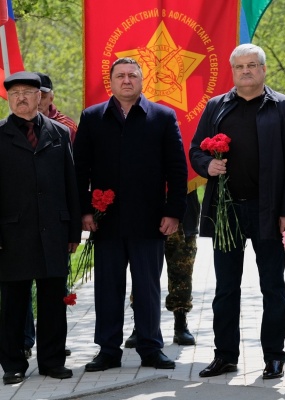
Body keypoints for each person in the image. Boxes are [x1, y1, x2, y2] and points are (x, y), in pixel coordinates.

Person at [190, 44, 285, 380]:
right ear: (233, 71)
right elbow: (196, 149)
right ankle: (225, 355)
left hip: (269, 211)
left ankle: (274, 357)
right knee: (226, 288)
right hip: (227, 211)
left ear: (264, 69)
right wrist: (207, 165)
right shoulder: (217, 106)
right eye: (239, 67)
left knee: (273, 287)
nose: (246, 71)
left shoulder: (284, 107)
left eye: (252, 65)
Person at [74, 57, 188, 372]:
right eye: (120, 76)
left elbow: (177, 169)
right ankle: (108, 350)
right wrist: (85, 210)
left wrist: (174, 212)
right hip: (106, 220)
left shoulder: (162, 117)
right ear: (111, 82)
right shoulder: (93, 117)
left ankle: (151, 349)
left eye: (132, 75)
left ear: (141, 80)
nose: (126, 80)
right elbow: (79, 169)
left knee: (148, 287)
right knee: (107, 287)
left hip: (149, 220)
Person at [0, 71, 81, 384]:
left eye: (27, 92)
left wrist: (73, 231)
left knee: (53, 301)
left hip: (53, 231)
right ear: (9, 98)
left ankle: (52, 361)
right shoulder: (1, 134)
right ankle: (12, 364)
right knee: (13, 303)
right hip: (12, 234)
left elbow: (71, 184)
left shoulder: (59, 132)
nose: (21, 98)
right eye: (15, 93)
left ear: (40, 97)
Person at [22, 72, 78, 361]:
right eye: (34, 93)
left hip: (54, 225)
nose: (38, 99)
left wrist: (74, 227)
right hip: (20, 226)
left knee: (54, 291)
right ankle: (22, 344)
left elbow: (73, 179)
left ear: (50, 96)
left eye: (42, 94)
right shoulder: (9, 130)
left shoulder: (64, 129)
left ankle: (52, 349)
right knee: (19, 291)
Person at [124, 189, 200, 348]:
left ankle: (181, 323)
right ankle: (140, 325)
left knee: (182, 272)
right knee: (143, 271)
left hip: (183, 212)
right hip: (147, 213)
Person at [36, 72, 78, 142]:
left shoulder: (67, 126)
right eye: (34, 97)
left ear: (51, 99)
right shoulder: (18, 123)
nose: (38, 102)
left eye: (42, 97)